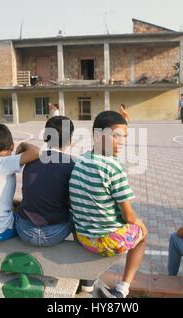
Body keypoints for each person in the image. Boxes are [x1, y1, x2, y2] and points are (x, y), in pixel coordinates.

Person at [69, 111, 147, 298]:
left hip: (82, 237)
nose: (121, 142)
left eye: (124, 137)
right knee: (143, 234)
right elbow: (129, 217)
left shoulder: (81, 160)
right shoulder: (113, 167)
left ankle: (88, 282)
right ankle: (123, 288)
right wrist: (139, 223)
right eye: (116, 136)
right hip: (103, 242)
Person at [15, 116, 75, 247]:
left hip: (24, 230)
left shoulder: (30, 161)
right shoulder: (71, 164)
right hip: (55, 232)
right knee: (76, 213)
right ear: (69, 140)